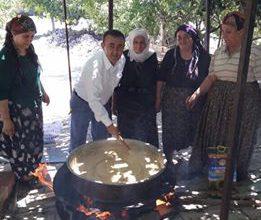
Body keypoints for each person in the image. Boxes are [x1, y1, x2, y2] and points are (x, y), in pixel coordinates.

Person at [186, 11, 261, 181]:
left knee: (239, 140)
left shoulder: (254, 53)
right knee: (218, 138)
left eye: (229, 32)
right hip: (218, 104)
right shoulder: (219, 52)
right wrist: (197, 94)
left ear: (242, 32)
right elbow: (212, 76)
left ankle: (236, 179)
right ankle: (219, 178)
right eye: (223, 31)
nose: (224, 35)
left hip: (244, 104)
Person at [0, 15, 50, 183]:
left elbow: (35, 75)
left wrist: (43, 92)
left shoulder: (29, 51)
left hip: (33, 107)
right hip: (18, 112)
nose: (29, 40)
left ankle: (35, 169)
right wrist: (6, 119)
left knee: (35, 140)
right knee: (21, 146)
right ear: (13, 35)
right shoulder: (5, 58)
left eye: (32, 36)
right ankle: (25, 177)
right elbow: (2, 93)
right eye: (25, 36)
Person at [157, 24, 211, 174]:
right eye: (179, 37)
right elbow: (160, 79)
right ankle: (169, 161)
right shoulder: (170, 55)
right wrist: (157, 99)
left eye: (186, 37)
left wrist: (199, 97)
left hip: (195, 101)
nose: (182, 40)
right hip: (171, 102)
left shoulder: (204, 57)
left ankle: (194, 165)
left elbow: (209, 79)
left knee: (194, 130)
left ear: (193, 38)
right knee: (170, 130)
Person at [70, 29, 125, 151]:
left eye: (120, 47)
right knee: (78, 141)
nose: (116, 51)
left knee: (101, 140)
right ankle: (71, 169)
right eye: (111, 46)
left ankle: (99, 166)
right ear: (102, 46)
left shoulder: (122, 60)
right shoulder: (94, 66)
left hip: (103, 101)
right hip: (82, 101)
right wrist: (110, 125)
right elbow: (93, 100)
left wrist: (108, 121)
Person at [114, 28, 159, 147]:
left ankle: (147, 163)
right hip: (126, 105)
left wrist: (158, 101)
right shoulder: (123, 57)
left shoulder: (152, 57)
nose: (139, 46)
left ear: (146, 43)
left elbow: (157, 81)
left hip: (146, 105)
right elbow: (115, 81)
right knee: (127, 137)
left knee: (146, 138)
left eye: (142, 42)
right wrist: (114, 103)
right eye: (135, 42)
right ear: (131, 43)